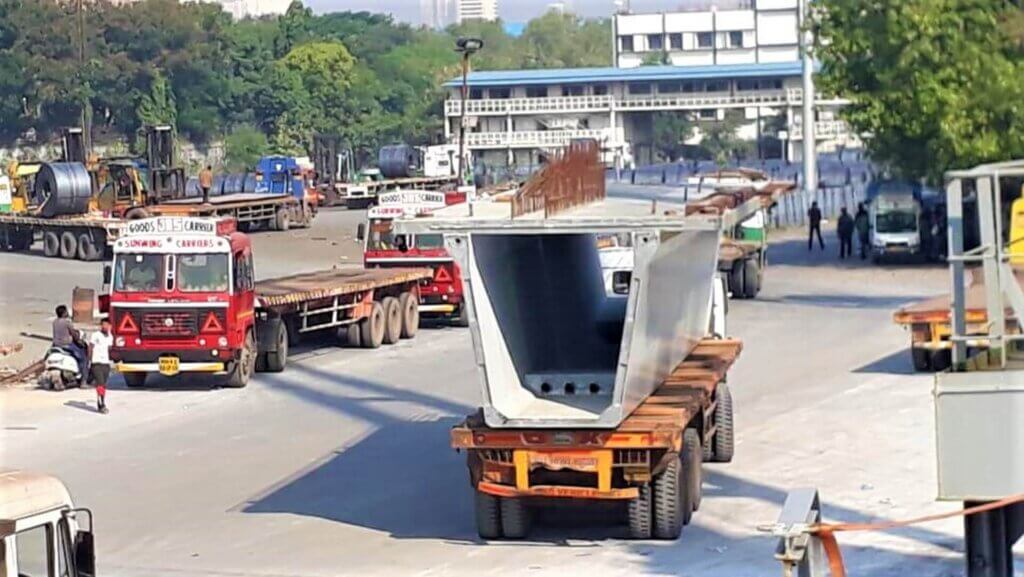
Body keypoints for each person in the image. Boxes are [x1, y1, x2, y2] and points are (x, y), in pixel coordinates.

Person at [52, 305, 86, 385]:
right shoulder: (67, 322)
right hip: (67, 345)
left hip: (56, 344)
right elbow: (73, 334)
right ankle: (83, 381)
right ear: (64, 313)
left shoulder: (55, 322)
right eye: (66, 311)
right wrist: (78, 340)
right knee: (83, 358)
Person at [88, 319, 113, 414]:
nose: (105, 327)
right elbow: (90, 347)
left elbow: (109, 348)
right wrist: (90, 360)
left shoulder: (110, 337)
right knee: (100, 383)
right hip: (96, 362)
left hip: (105, 363)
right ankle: (101, 404)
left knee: (103, 384)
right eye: (103, 325)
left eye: (107, 325)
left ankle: (101, 400)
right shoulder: (95, 335)